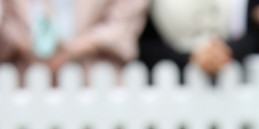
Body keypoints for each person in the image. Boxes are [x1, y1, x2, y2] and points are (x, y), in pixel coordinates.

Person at [0, 0, 148, 77]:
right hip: (24, 82)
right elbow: (6, 25)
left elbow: (121, 26)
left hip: (95, 82)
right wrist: (28, 46)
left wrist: (71, 50)